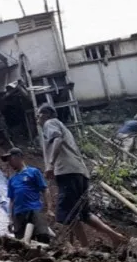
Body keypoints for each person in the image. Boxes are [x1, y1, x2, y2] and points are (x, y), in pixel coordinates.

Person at [37, 104, 126, 248]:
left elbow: (57, 140)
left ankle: (84, 247)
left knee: (67, 213)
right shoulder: (63, 127)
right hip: (80, 172)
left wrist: (50, 164)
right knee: (83, 213)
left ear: (46, 114)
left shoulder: (50, 123)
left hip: (67, 172)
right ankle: (115, 236)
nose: (37, 119)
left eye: (39, 115)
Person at [1, 147, 53, 244]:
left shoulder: (33, 172)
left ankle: (46, 256)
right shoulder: (12, 179)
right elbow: (12, 200)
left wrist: (49, 209)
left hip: (34, 209)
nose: (9, 162)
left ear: (19, 157)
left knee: (43, 236)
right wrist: (10, 219)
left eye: (10, 159)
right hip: (18, 213)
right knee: (21, 243)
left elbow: (45, 189)